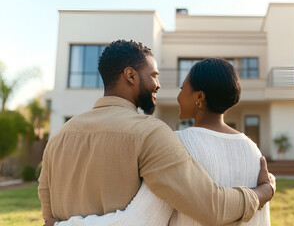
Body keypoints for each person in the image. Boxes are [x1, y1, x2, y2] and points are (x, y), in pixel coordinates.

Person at [39, 40, 276, 226]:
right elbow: (211, 206)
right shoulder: (150, 133)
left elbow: (49, 215)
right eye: (154, 75)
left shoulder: (59, 137)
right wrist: (262, 192)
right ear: (131, 76)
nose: (159, 85)